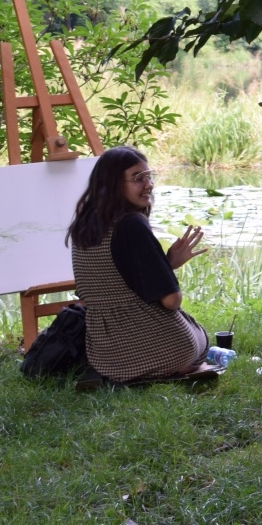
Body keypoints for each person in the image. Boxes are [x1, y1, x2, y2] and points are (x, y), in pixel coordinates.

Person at [67, 146, 211, 383]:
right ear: (114, 183)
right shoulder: (131, 223)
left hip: (105, 355)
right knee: (200, 338)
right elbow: (172, 301)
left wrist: (165, 264)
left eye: (148, 176)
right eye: (138, 178)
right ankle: (173, 367)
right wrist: (167, 269)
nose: (149, 185)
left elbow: (109, 284)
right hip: (160, 351)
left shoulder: (84, 224)